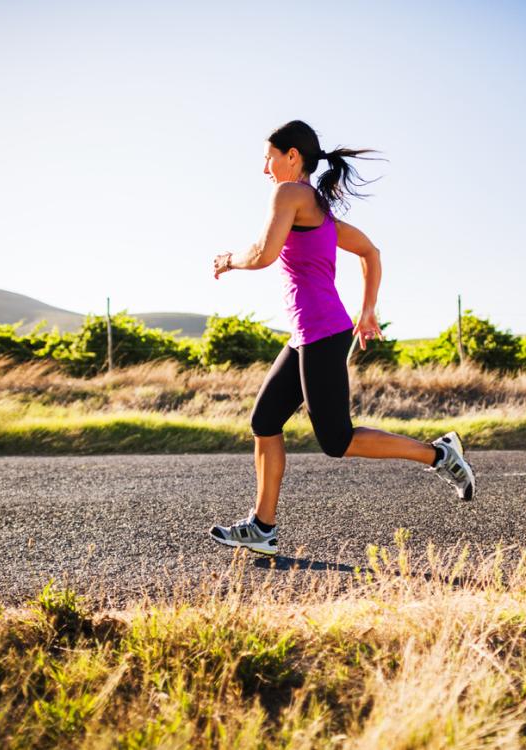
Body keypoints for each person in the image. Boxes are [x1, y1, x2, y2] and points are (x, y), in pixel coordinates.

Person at [208, 120, 476, 555]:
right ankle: (262, 526)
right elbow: (371, 251)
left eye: (268, 159)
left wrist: (229, 260)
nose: (265, 170)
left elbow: (263, 253)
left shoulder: (290, 194)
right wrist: (367, 309)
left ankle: (440, 455)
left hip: (323, 334)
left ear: (292, 156)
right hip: (305, 336)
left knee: (337, 440)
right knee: (264, 421)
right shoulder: (319, 212)